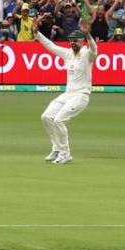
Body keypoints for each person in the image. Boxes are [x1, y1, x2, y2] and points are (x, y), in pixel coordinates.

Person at [35, 17, 95, 165]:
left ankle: (65, 153)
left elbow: (94, 49)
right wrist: (37, 33)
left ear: (82, 42)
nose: (73, 43)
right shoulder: (67, 53)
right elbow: (51, 45)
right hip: (68, 94)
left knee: (59, 120)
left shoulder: (88, 54)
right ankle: (56, 148)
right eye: (71, 40)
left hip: (81, 95)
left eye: (76, 40)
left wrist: (88, 35)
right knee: (46, 117)